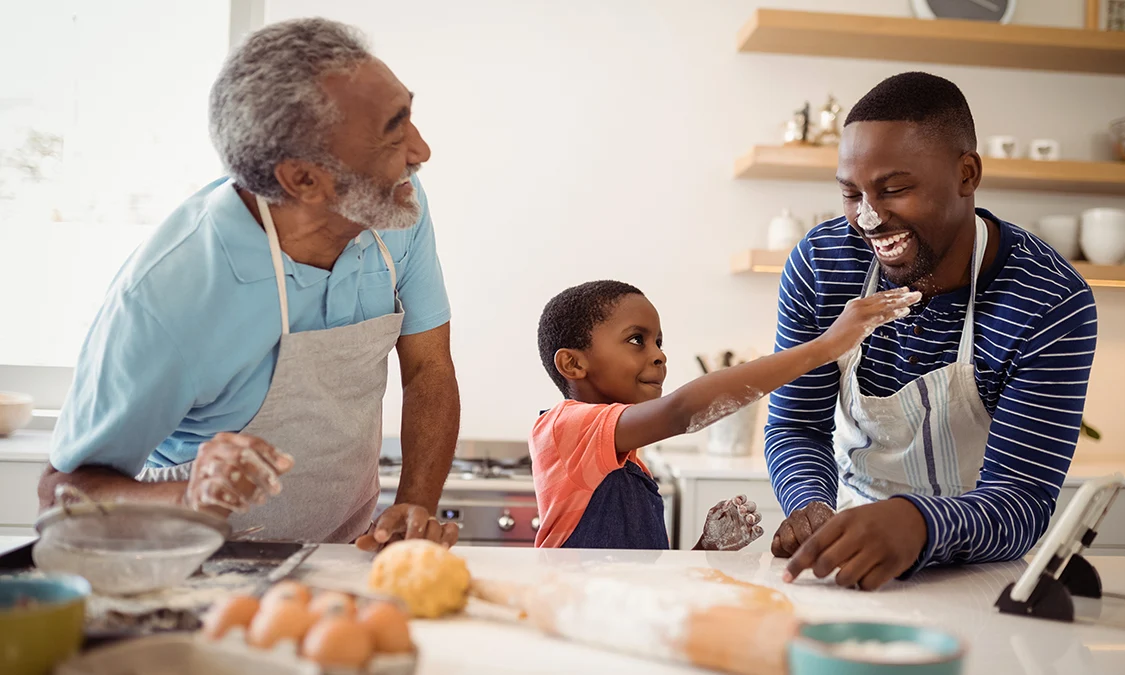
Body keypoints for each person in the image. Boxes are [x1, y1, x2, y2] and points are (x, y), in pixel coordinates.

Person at [38, 18, 460, 549]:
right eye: (392, 133)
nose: (420, 151)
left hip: (336, 557)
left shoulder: (397, 208)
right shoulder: (167, 297)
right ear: (304, 180)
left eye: (409, 116)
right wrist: (190, 495)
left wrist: (413, 505)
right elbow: (60, 491)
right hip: (194, 572)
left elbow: (428, 369)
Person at [766, 72, 1099, 589]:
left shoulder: (1049, 299)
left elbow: (1022, 499)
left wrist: (917, 524)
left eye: (894, 189)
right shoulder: (822, 264)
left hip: (981, 570)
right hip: (847, 555)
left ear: (967, 174)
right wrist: (811, 504)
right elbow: (797, 426)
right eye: (851, 194)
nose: (869, 218)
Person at [531, 280, 920, 549]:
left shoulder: (629, 461)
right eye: (637, 339)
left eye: (659, 342)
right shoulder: (564, 427)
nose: (659, 354)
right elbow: (682, 411)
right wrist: (826, 346)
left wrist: (706, 548)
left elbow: (644, 573)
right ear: (572, 364)